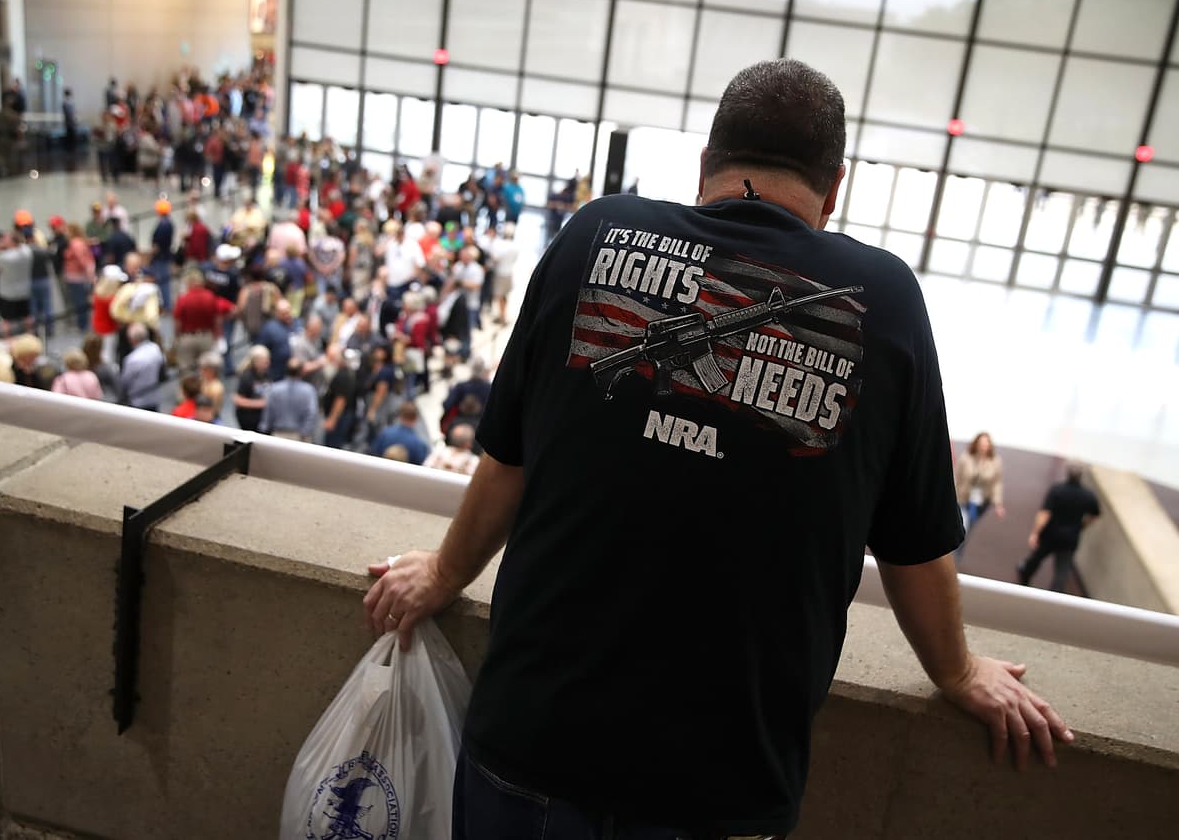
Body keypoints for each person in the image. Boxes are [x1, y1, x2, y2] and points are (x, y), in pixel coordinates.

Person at [362, 60, 1071, 839]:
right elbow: (914, 543)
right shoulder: (888, 299)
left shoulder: (592, 234)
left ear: (705, 164)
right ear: (835, 190)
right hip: (722, 787)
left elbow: (506, 457)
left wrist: (443, 572)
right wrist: (959, 673)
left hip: (527, 741)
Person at [1018, 462, 1101, 592]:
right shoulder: (1088, 495)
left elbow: (1045, 514)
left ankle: (1024, 578)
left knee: (1036, 559)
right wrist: (1082, 525)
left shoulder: (1057, 490)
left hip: (1050, 534)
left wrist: (1035, 532)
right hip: (1070, 538)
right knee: (1062, 571)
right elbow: (1095, 514)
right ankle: (1055, 594)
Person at [954, 431, 1006, 558]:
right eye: (981, 444)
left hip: (981, 502)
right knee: (963, 525)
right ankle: (955, 553)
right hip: (963, 498)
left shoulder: (995, 461)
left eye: (986, 444)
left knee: (969, 526)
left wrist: (998, 504)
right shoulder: (966, 458)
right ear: (976, 444)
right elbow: (956, 476)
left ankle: (958, 551)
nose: (983, 447)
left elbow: (996, 483)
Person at [173, 268, 235, 371]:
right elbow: (217, 318)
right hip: (206, 336)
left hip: (187, 337)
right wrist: (217, 335)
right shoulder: (210, 296)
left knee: (186, 371)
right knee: (209, 369)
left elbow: (177, 322)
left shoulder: (183, 298)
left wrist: (177, 337)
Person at [259, 357, 318, 441]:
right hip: (299, 436)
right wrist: (305, 433)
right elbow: (311, 413)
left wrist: (265, 429)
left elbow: (268, 411)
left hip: (278, 435)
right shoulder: (308, 390)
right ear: (301, 371)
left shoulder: (275, 389)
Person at [0, 231, 33, 337]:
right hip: (24, 291)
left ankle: (8, 339)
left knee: (6, 319)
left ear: (12, 242)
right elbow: (22, 245)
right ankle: (30, 334)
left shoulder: (4, 257)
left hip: (7, 293)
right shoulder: (27, 251)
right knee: (26, 315)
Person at [118, 322, 165, 411]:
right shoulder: (156, 349)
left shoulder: (132, 359)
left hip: (137, 401)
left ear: (132, 339)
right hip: (154, 398)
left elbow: (125, 382)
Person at [319, 342, 356, 448]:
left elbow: (340, 399)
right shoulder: (342, 371)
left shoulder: (343, 375)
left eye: (331, 358)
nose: (329, 360)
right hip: (339, 415)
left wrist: (332, 419)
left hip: (340, 417)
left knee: (332, 446)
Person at [62, 223, 97, 332]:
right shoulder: (79, 242)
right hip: (78, 277)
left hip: (77, 278)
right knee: (81, 301)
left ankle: (82, 325)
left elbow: (82, 260)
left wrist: (90, 275)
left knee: (80, 302)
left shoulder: (75, 243)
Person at [234, 344, 273, 431]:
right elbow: (238, 400)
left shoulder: (266, 374)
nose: (268, 363)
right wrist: (260, 403)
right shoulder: (247, 377)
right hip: (249, 419)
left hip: (262, 418)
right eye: (264, 361)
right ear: (256, 362)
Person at [254, 298, 295, 380]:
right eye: (284, 313)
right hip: (277, 373)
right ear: (277, 313)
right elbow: (261, 350)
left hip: (294, 372)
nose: (287, 315)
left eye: (288, 312)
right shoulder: (269, 329)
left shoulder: (296, 322)